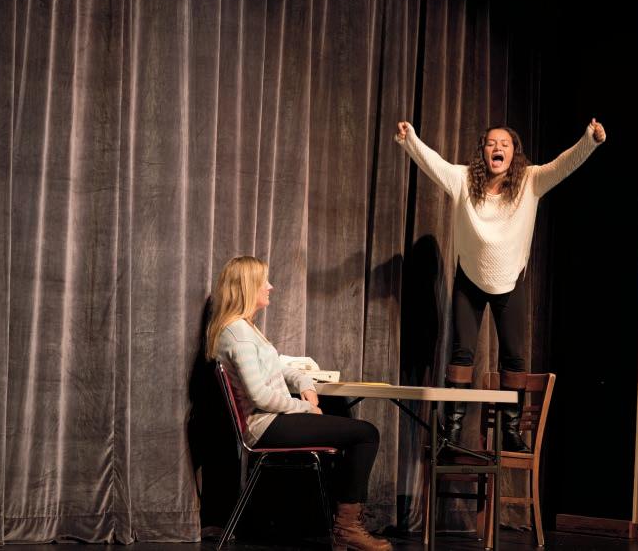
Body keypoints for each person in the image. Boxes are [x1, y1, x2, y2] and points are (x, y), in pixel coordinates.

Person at [394, 119, 607, 452]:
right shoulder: (463, 180)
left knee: (514, 358)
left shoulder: (530, 181)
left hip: (510, 280)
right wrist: (411, 140)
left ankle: (511, 430)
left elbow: (563, 165)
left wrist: (589, 140)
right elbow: (434, 164)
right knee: (461, 353)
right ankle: (452, 432)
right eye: (492, 143)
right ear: (483, 151)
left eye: (505, 144)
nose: (498, 148)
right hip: (469, 279)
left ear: (513, 153)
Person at [206, 256, 392, 551]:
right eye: (264, 281)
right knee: (366, 433)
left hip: (273, 420)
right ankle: (347, 528)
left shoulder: (245, 329)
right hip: (266, 426)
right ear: (248, 286)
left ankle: (343, 524)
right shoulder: (238, 334)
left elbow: (278, 366)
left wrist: (304, 383)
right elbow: (259, 396)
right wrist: (305, 408)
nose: (270, 286)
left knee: (348, 423)